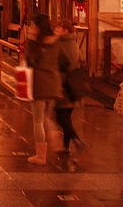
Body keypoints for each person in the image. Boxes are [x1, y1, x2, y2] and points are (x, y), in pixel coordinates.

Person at [25, 14, 62, 165]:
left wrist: (29, 38)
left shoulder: (35, 43)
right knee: (47, 117)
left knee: (38, 121)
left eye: (33, 24)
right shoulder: (56, 41)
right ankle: (55, 136)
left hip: (39, 83)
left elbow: (29, 62)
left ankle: (41, 156)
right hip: (54, 83)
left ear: (37, 27)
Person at [53, 19, 85, 154]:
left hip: (62, 84)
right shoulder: (74, 44)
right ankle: (66, 146)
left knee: (60, 117)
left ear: (65, 31)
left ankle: (76, 139)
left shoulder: (60, 44)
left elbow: (58, 64)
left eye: (58, 28)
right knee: (66, 116)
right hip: (73, 85)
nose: (55, 30)